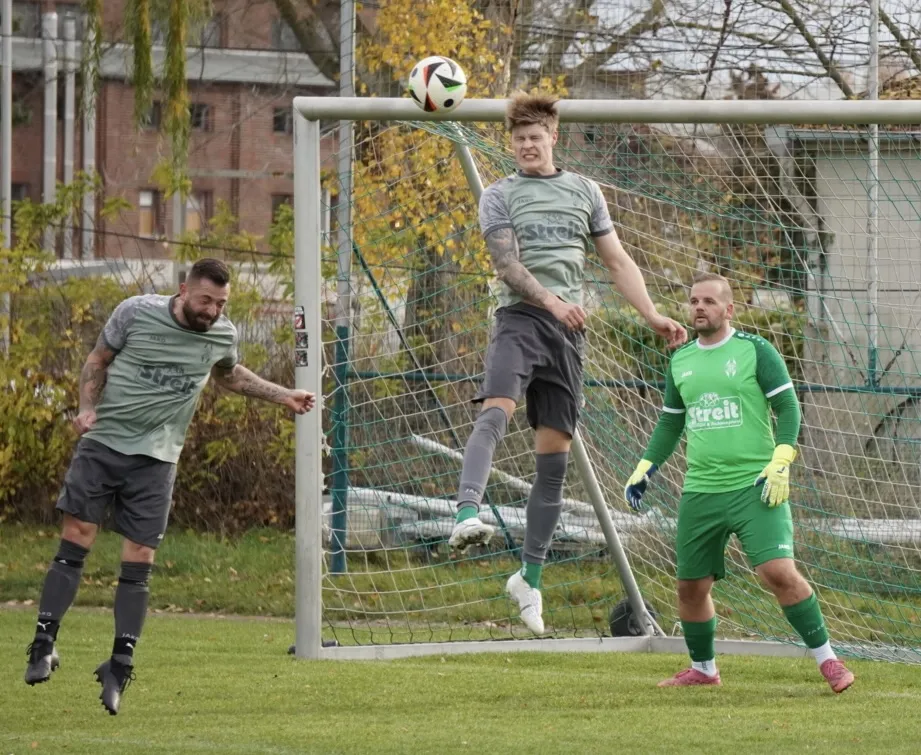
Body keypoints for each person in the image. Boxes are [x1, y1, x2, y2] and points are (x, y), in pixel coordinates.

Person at [23, 258, 316, 714]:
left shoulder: (222, 334)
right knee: (77, 536)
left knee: (140, 556)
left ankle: (120, 664)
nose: (212, 310)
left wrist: (285, 396)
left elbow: (229, 375)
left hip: (158, 459)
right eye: (205, 300)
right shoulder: (135, 312)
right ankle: (44, 643)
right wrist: (85, 408)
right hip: (104, 442)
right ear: (183, 291)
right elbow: (98, 360)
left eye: (221, 303)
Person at [447, 92, 687, 635]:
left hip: (568, 335)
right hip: (519, 321)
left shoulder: (585, 190)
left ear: (553, 137)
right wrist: (553, 302)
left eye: (536, 137)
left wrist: (651, 314)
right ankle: (465, 512)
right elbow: (506, 266)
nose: (527, 146)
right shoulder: (499, 195)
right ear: (511, 143)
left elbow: (616, 260)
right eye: (519, 139)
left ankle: (529, 579)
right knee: (495, 411)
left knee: (553, 463)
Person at [624, 272, 854, 693]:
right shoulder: (680, 359)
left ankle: (829, 661)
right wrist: (645, 467)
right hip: (701, 490)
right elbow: (671, 423)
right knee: (690, 587)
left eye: (709, 301)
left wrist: (782, 459)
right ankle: (703, 669)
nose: (699, 307)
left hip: (756, 484)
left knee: (777, 572)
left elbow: (788, 408)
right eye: (694, 300)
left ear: (729, 309)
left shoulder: (756, 350)